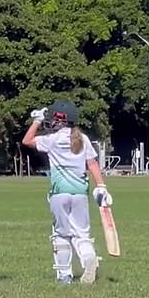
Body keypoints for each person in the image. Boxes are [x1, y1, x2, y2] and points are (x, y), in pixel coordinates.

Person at [21, 101, 112, 284]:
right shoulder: (83, 139)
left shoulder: (52, 139)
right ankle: (88, 258)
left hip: (59, 192)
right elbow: (92, 163)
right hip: (80, 192)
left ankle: (64, 276)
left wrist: (37, 121)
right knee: (82, 234)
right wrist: (101, 186)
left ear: (59, 120)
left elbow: (26, 140)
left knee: (61, 234)